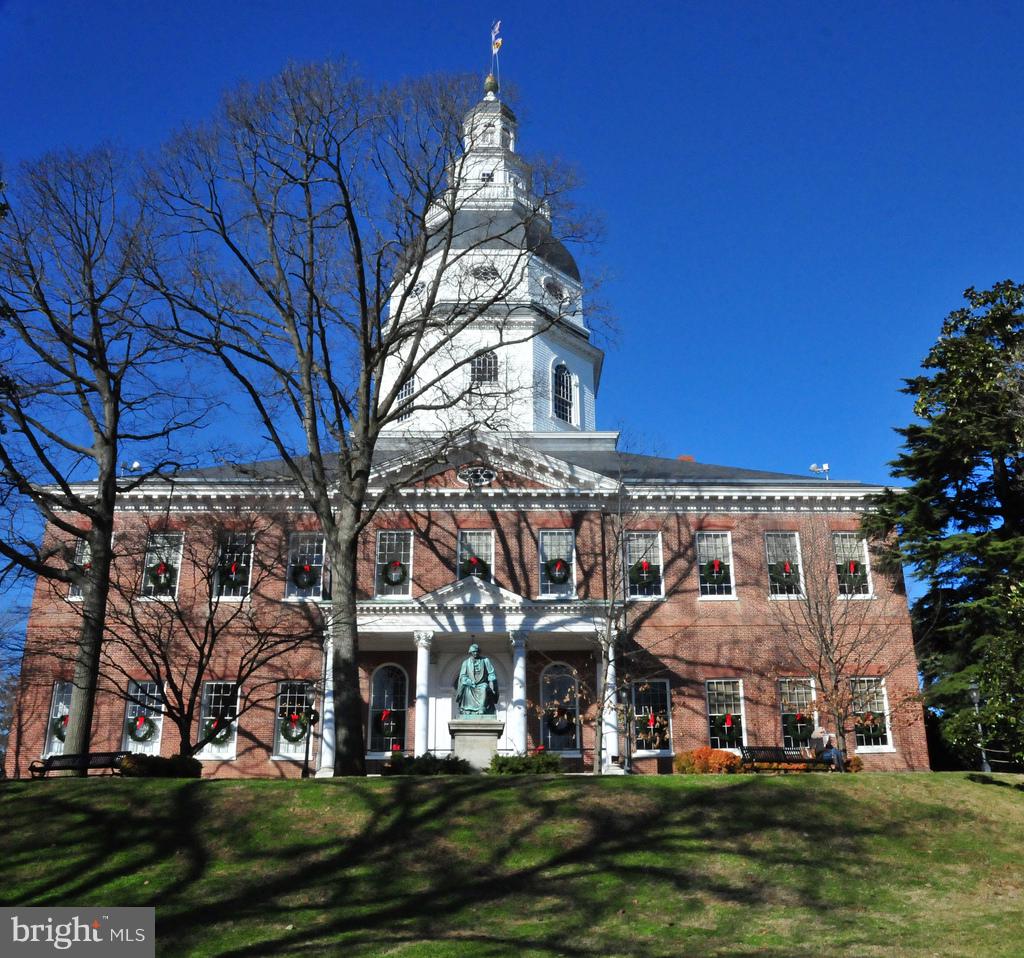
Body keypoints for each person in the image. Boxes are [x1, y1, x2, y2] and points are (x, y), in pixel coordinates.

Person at [454, 643, 498, 717]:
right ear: (470, 652)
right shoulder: (466, 663)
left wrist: (491, 681)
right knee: (467, 689)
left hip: (482, 684)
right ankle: (468, 709)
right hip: (470, 684)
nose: (475, 653)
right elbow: (463, 676)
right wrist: (469, 682)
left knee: (484, 688)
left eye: (477, 651)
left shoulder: (485, 660)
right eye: (473, 652)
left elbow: (491, 673)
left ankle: (481, 708)